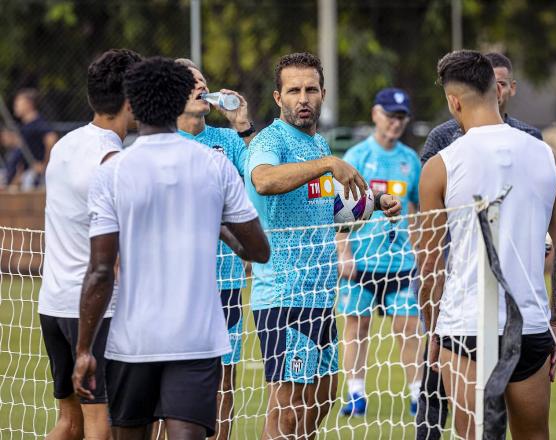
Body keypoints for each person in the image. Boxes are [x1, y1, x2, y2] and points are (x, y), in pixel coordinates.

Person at [71, 56, 270, 440]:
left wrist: (83, 349)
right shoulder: (214, 165)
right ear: (180, 97)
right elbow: (258, 251)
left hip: (133, 341)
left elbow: (99, 271)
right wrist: (217, 225)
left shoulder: (113, 170)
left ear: (133, 103)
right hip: (196, 339)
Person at [419, 50, 556, 439]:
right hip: (530, 328)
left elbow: (429, 263)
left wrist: (433, 332)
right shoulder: (546, 156)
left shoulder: (440, 165)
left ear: (453, 102)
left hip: (463, 327)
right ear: (497, 90)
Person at [245, 52, 402, 439]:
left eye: (310, 89)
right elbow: (263, 180)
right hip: (283, 296)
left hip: (319, 296)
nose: (303, 98)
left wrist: (377, 204)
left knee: (322, 398)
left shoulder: (316, 144)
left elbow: (331, 211)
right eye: (293, 90)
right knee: (289, 409)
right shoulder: (271, 141)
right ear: (277, 97)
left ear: (323, 93)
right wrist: (327, 164)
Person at [37, 48, 142, 440]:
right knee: (103, 424)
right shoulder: (113, 160)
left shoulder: (64, 146)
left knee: (69, 422)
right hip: (96, 312)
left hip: (52, 304)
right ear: (131, 100)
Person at [175, 57, 255, 440]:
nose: (200, 85)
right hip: (176, 283)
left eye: (203, 80)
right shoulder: (162, 143)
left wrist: (242, 126)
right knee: (170, 383)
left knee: (223, 379)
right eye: (190, 81)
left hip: (224, 280)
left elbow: (259, 177)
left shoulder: (226, 141)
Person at [336, 88, 424, 417]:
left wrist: (419, 252)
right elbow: (340, 208)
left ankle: (418, 394)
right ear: (375, 114)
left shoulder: (410, 160)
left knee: (408, 327)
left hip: (400, 262)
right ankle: (356, 394)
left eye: (401, 117)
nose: (396, 123)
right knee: (357, 327)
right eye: (390, 115)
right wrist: (343, 251)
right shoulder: (357, 156)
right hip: (361, 262)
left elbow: (417, 209)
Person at [421, 52, 541, 166]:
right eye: (487, 85)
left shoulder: (530, 137)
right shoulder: (441, 136)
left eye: (501, 83)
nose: (492, 91)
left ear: (511, 88)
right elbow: (427, 184)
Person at [1, 88, 58, 189]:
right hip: (16, 174)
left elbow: (51, 139)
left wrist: (45, 165)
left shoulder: (38, 124)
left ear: (29, 104)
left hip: (30, 176)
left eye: (18, 102)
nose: (15, 106)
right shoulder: (25, 126)